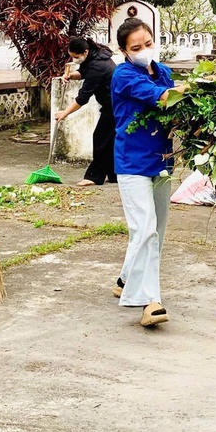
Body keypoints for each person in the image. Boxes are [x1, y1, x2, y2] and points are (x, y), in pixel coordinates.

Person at [111, 17, 187, 328]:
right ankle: (149, 301)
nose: (144, 50)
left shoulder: (163, 72)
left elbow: (176, 111)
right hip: (132, 162)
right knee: (145, 229)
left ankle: (126, 277)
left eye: (148, 43)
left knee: (157, 230)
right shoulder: (124, 74)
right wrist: (205, 85)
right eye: (136, 47)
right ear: (124, 51)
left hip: (162, 160)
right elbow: (166, 98)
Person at [55, 36, 117, 186]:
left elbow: (83, 98)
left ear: (85, 52)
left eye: (76, 57)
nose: (74, 60)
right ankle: (114, 175)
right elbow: (83, 72)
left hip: (116, 105)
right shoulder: (94, 57)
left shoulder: (98, 66)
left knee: (101, 138)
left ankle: (94, 177)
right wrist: (70, 75)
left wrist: (64, 113)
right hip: (111, 104)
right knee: (109, 140)